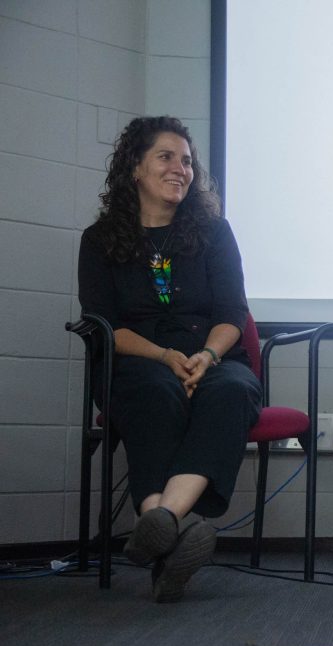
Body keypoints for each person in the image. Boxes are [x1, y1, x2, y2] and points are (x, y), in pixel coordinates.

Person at [78, 116, 262, 602]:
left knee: (234, 390)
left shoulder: (215, 233)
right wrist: (164, 356)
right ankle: (172, 537)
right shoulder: (98, 241)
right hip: (136, 361)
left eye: (187, 160)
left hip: (212, 356)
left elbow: (232, 314)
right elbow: (104, 325)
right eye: (166, 157)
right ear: (135, 168)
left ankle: (161, 521)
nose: (181, 168)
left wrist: (204, 356)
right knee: (157, 392)